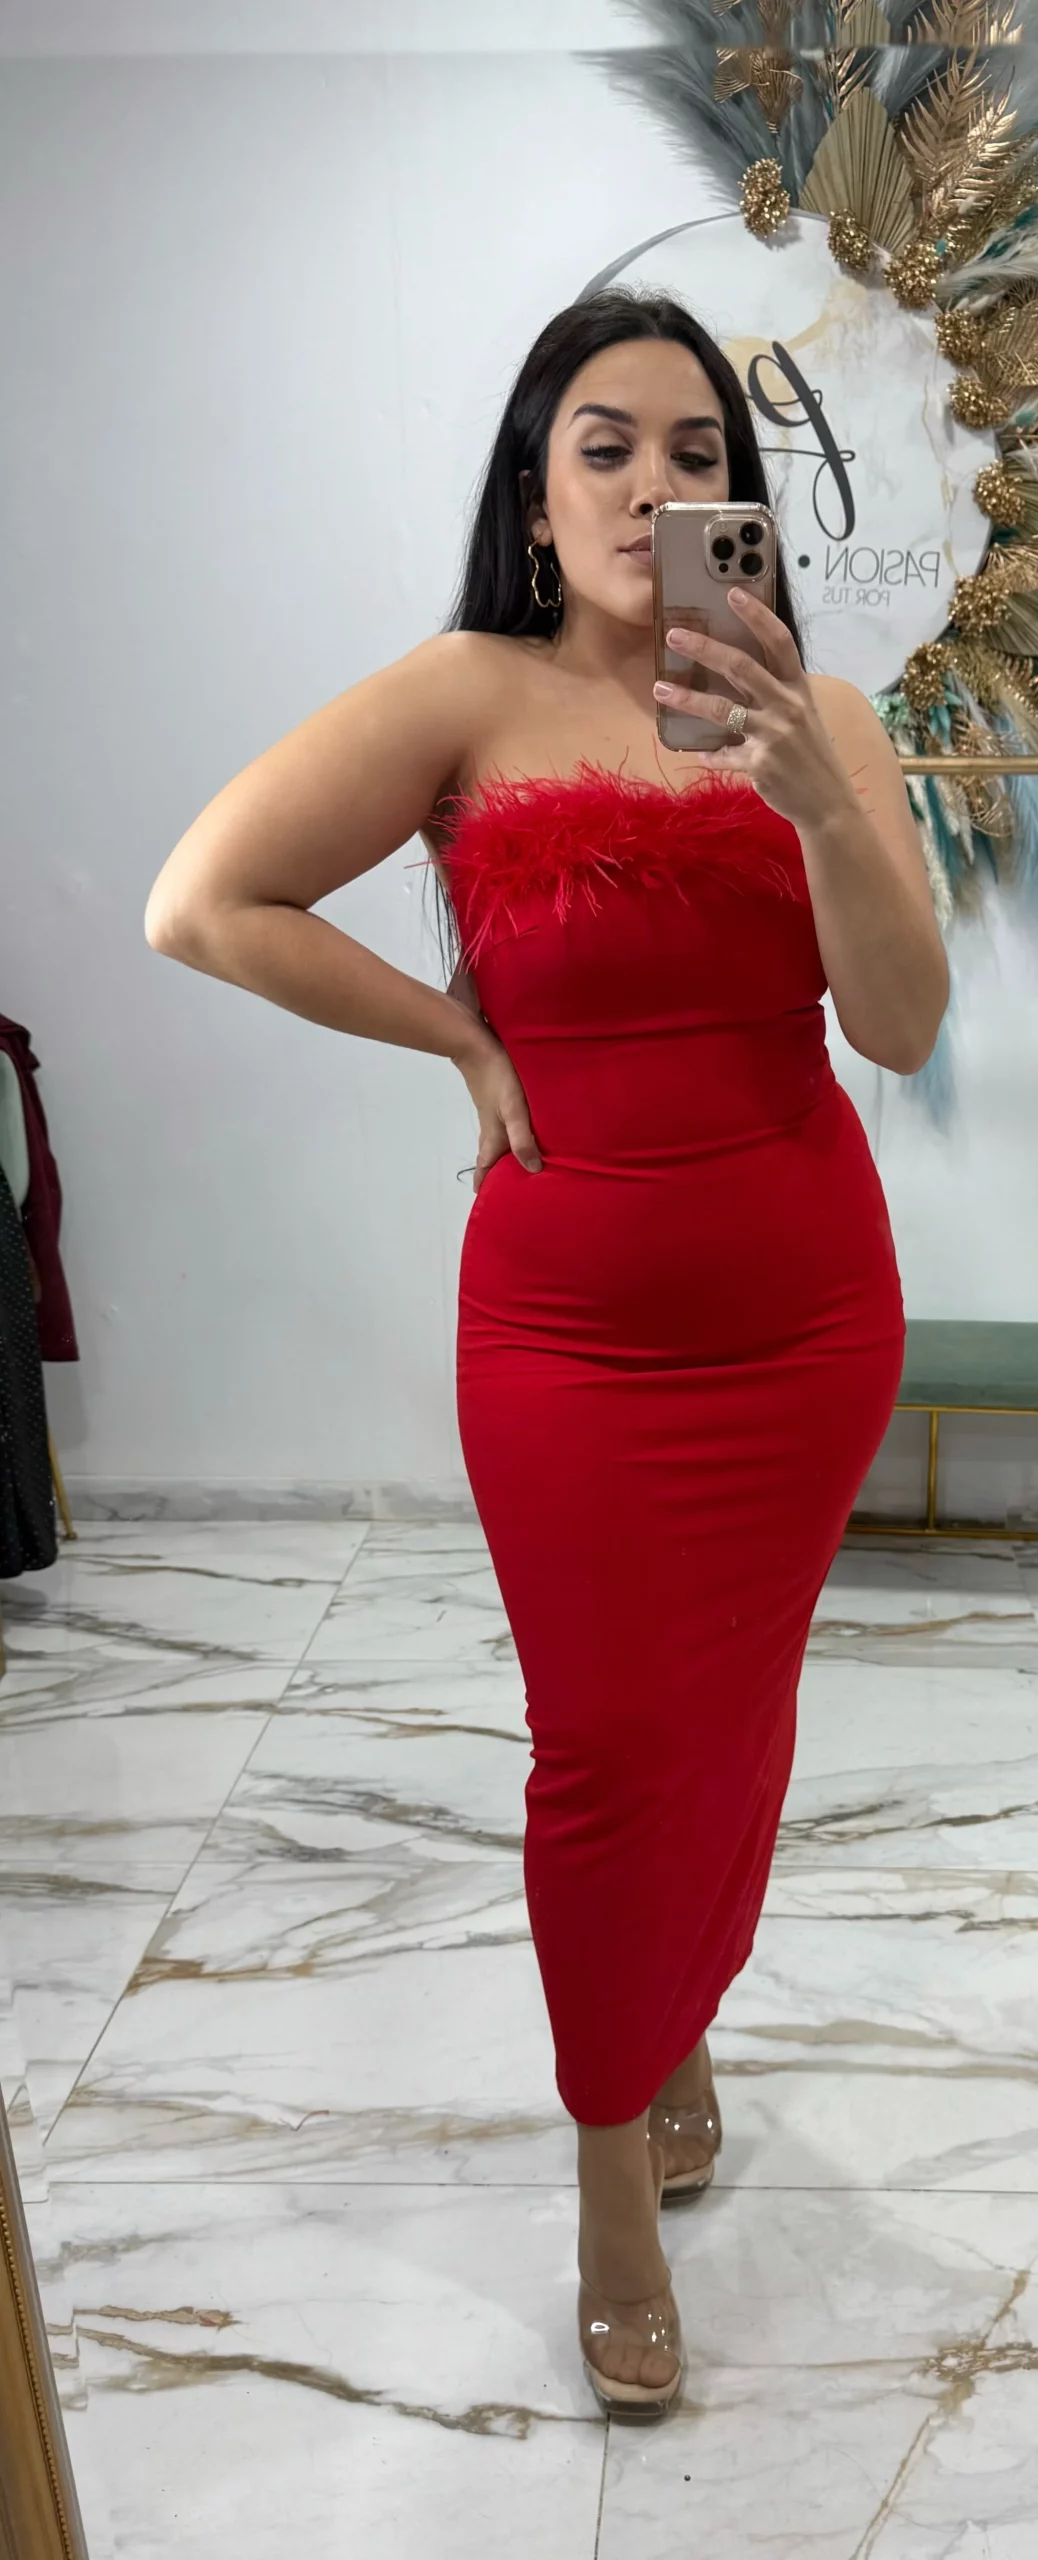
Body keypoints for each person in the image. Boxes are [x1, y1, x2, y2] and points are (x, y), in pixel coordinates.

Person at [144, 286, 949, 2425]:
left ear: (741, 503)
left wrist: (818, 796)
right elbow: (203, 900)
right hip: (569, 1336)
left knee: (729, 1722)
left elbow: (897, 1025)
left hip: (804, 1321)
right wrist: (455, 1037)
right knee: (601, 1748)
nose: (651, 485)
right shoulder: (463, 695)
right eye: (606, 446)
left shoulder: (822, 718)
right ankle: (610, 2172)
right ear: (533, 491)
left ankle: (675, 2025)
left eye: (697, 455)